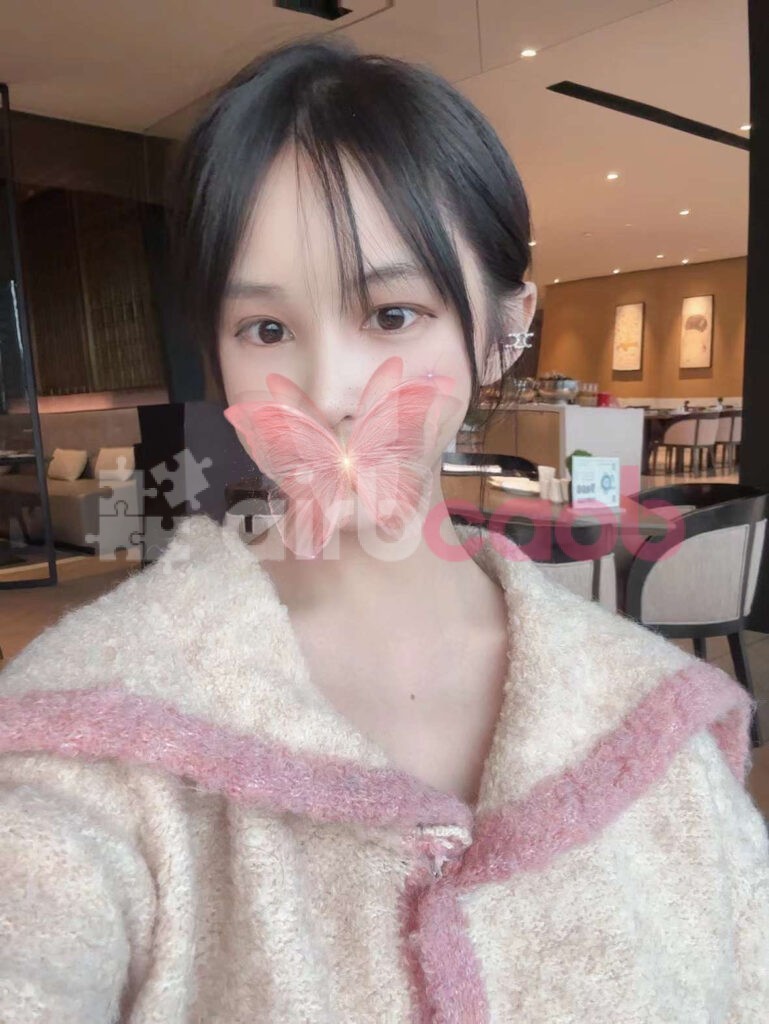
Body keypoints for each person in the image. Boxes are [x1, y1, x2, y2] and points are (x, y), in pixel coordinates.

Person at [0, 35, 767, 1024]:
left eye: (392, 314)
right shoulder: (88, 724)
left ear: (503, 329)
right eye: (266, 330)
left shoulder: (650, 720)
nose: (329, 390)